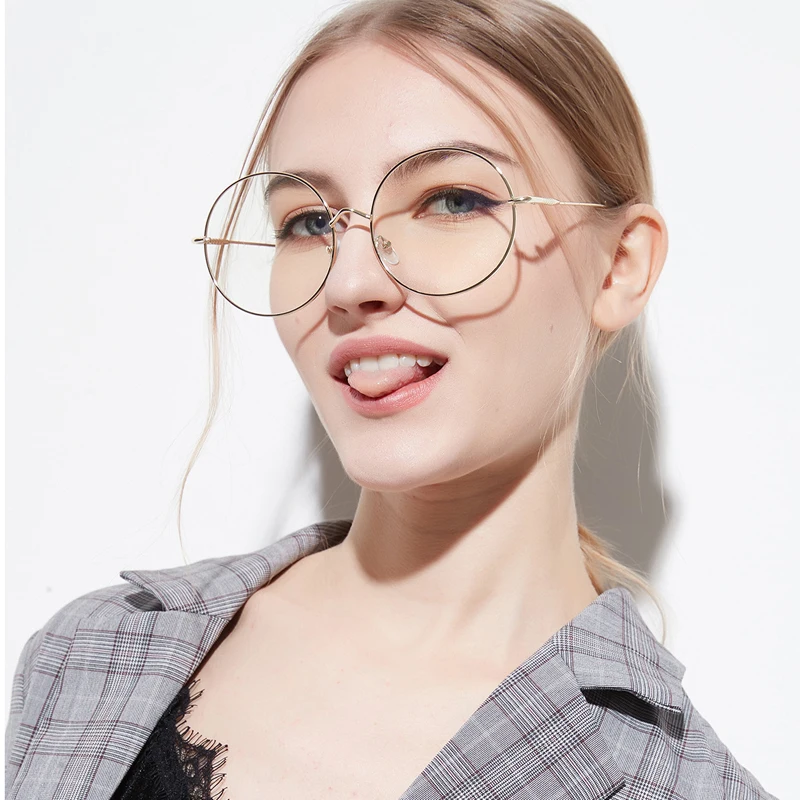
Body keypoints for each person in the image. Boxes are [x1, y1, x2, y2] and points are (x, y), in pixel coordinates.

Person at [5, 0, 779, 798]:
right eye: (309, 221)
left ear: (619, 266)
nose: (348, 281)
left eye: (453, 201)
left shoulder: (677, 786)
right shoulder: (90, 656)